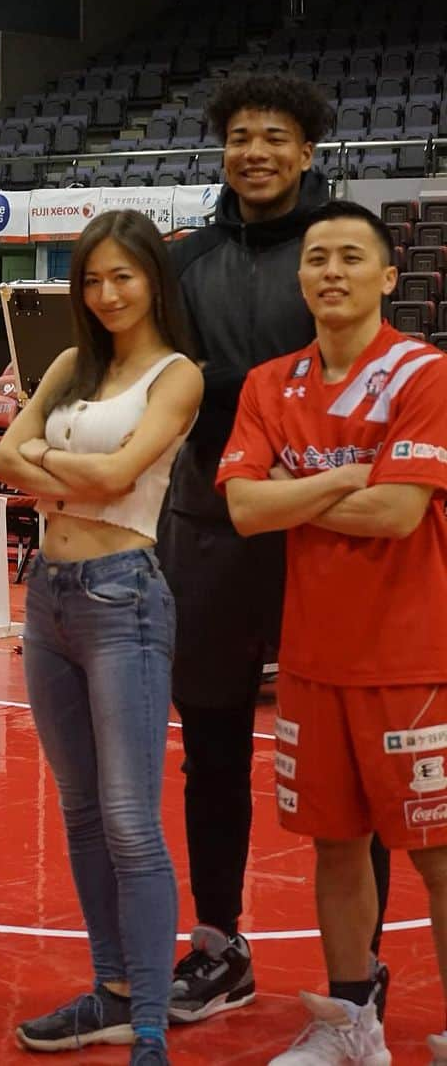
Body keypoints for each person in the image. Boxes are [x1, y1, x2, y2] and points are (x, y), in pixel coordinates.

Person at [156, 74, 391, 1023]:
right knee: (209, 744)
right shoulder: (185, 259)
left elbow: (353, 367)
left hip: (325, 531)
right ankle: (218, 941)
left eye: (275, 137)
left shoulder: (339, 248)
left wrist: (229, 388)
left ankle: (358, 966)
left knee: (353, 751)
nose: (255, 150)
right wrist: (258, 388)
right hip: (209, 523)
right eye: (240, 135)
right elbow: (164, 377)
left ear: (306, 152)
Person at [218, 199, 447, 1066]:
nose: (331, 271)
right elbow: (242, 508)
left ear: (388, 276)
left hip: (413, 658)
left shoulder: (425, 373)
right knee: (336, 846)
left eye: (352, 256)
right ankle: (353, 1026)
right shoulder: (269, 383)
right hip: (312, 660)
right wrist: (351, 472)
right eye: (317, 257)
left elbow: (395, 513)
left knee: (438, 855)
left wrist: (298, 489)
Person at [0, 210, 204, 1066]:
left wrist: (48, 463)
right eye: (92, 278)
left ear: (154, 277)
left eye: (123, 275)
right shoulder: (74, 364)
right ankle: (112, 994)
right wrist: (46, 459)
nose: (107, 292)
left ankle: (149, 1027)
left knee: (128, 820)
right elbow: (3, 454)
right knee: (80, 811)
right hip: (47, 599)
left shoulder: (176, 375)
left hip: (127, 599)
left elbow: (119, 476)